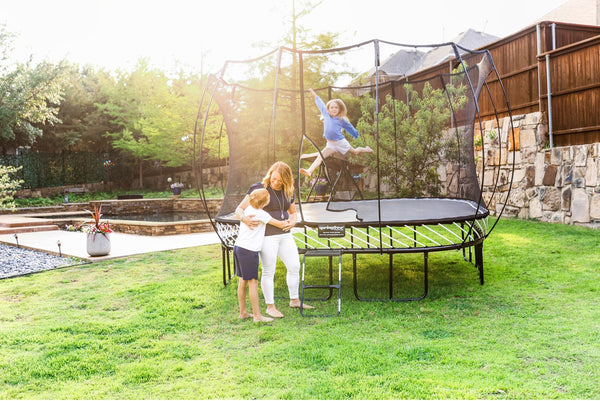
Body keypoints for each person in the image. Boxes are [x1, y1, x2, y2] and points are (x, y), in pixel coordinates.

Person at [235, 161, 313, 318]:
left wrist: (293, 221)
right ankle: (270, 306)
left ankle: (294, 299)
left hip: (285, 234)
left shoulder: (288, 191)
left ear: (286, 180)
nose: (276, 182)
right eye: (274, 179)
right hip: (267, 236)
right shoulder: (259, 188)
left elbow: (292, 212)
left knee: (294, 265)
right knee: (269, 269)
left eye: (280, 180)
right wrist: (244, 219)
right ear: (270, 174)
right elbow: (239, 209)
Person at [234, 188, 287, 323]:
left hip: (238, 247)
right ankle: (257, 316)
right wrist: (291, 221)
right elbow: (279, 224)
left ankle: (243, 312)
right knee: (253, 282)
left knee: (242, 281)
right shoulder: (262, 214)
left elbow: (238, 211)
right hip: (249, 251)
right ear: (265, 202)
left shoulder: (247, 211)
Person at [300, 88, 373, 178]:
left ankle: (367, 149)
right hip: (330, 144)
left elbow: (349, 127)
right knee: (320, 156)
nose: (334, 109)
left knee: (355, 152)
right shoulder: (326, 115)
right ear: (328, 109)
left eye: (336, 107)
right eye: (332, 107)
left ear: (339, 109)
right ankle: (309, 171)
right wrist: (313, 93)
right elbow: (320, 103)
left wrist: (355, 135)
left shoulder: (341, 120)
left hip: (340, 142)